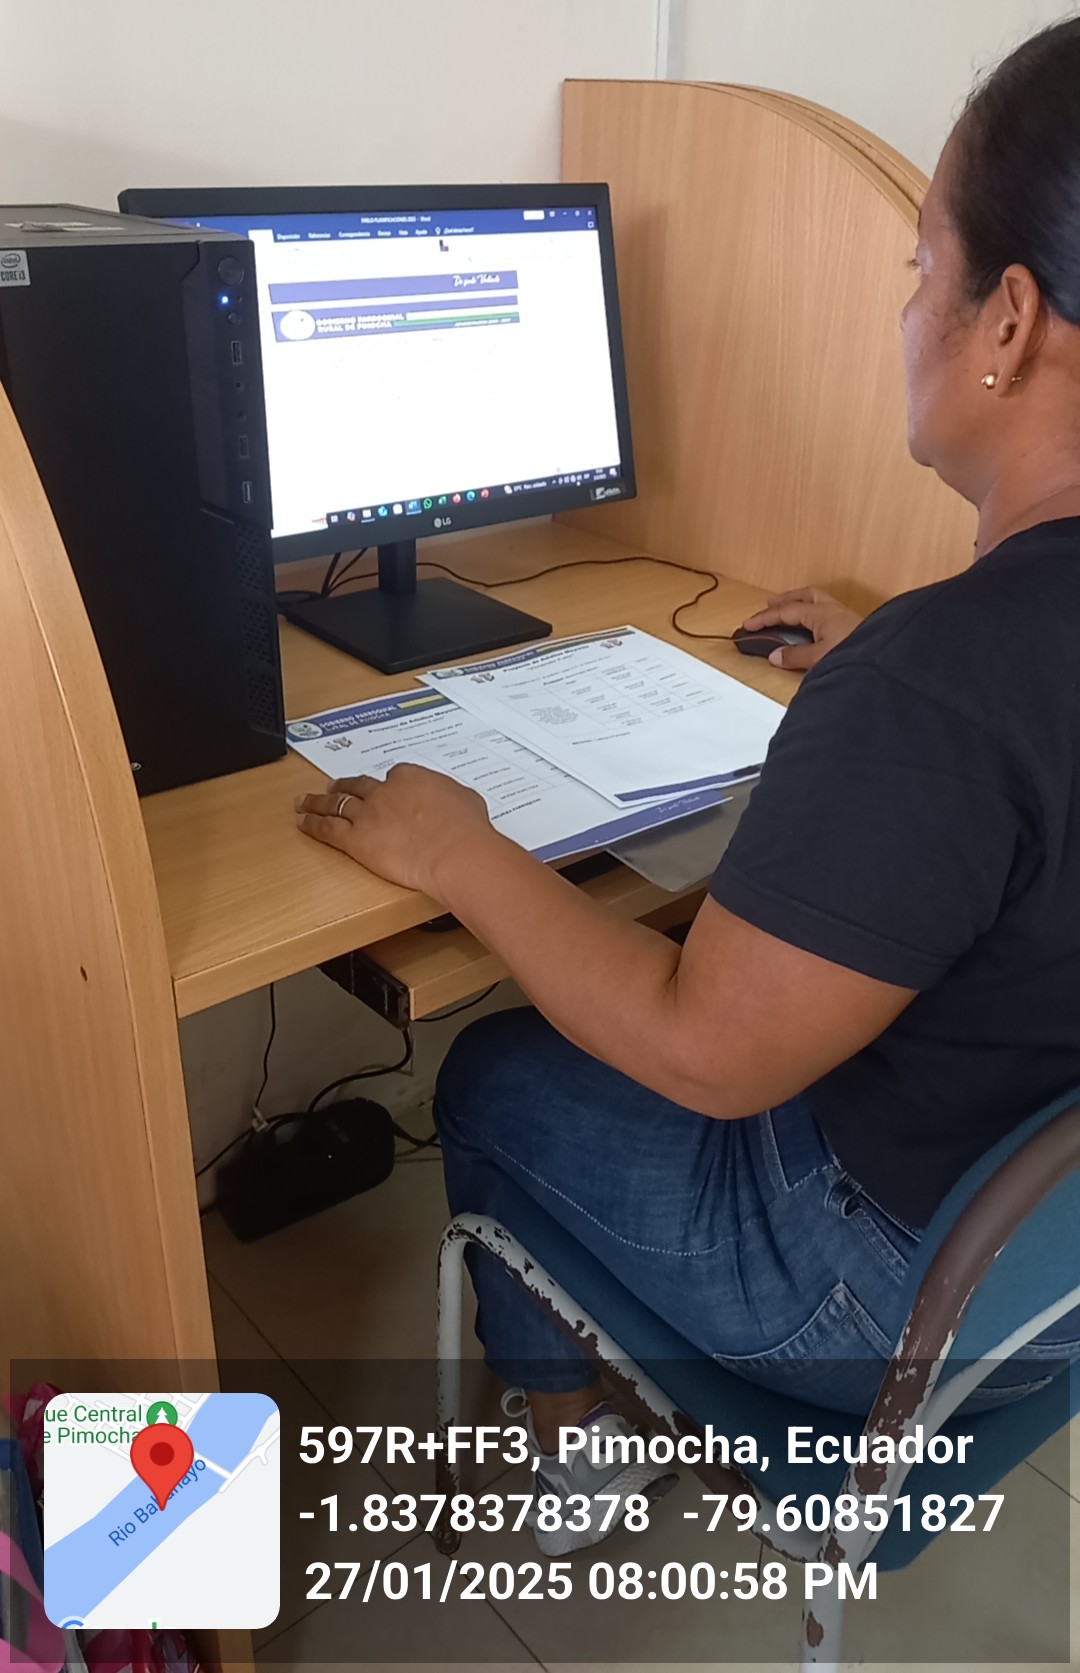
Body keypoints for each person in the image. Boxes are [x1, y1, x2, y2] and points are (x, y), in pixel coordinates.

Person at [296, 19, 1080, 1553]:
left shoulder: (944, 684)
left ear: (1008, 318)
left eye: (917, 267)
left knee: (492, 1071)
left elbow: (705, 1053)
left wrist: (459, 851)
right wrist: (888, 670)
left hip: (869, 1289)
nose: (902, 311)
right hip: (1034, 1271)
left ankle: (577, 1448)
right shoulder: (954, 671)